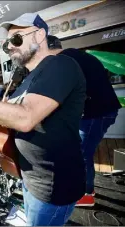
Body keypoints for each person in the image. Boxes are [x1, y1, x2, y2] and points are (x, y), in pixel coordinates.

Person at [0, 13, 86, 226]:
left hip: (54, 186)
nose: (10, 47)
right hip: (29, 177)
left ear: (39, 35)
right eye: (7, 44)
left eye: (17, 39)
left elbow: (26, 118)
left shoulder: (61, 65)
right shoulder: (27, 78)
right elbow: (8, 114)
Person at [48, 35, 122, 206]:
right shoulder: (81, 56)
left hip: (96, 113)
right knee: (83, 151)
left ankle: (87, 194)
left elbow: (67, 92)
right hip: (106, 110)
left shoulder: (63, 61)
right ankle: (88, 187)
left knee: (82, 154)